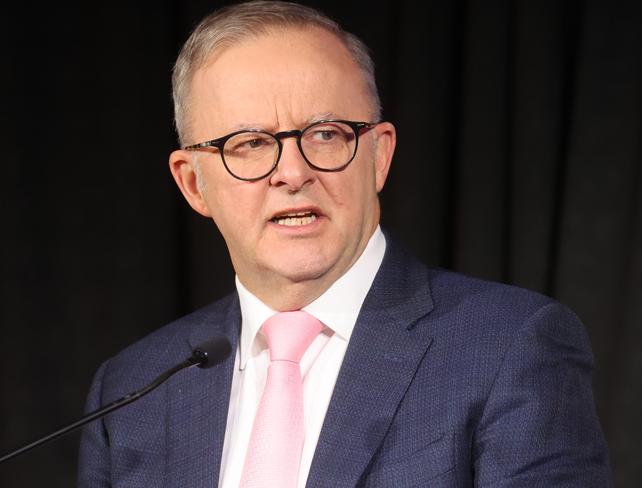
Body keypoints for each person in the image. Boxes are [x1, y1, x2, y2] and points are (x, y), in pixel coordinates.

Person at [77, 1, 612, 486]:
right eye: (249, 143)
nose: (291, 172)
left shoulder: (509, 347)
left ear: (378, 156)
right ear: (193, 182)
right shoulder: (132, 390)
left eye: (326, 134)